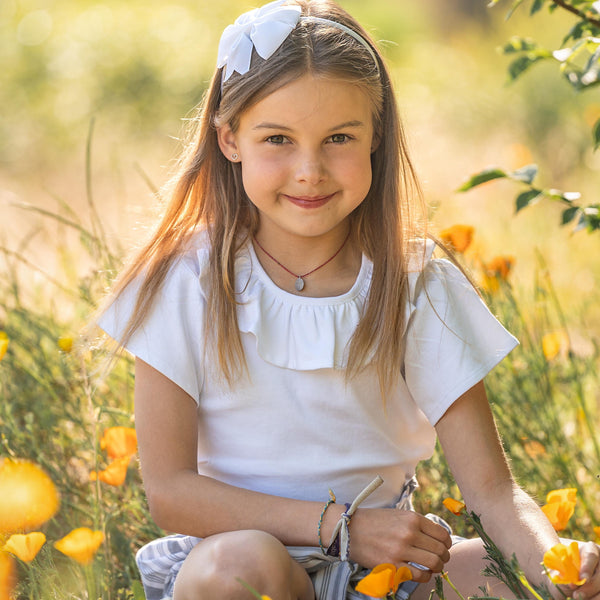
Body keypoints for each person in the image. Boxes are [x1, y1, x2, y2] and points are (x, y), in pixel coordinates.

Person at [97, 1, 600, 599]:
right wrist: (343, 529)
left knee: (503, 579)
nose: (310, 171)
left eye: (339, 137)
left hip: (388, 570)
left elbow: (492, 492)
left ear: (376, 136)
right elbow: (171, 492)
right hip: (245, 555)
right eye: (277, 138)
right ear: (230, 138)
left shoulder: (415, 283)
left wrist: (556, 564)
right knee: (238, 565)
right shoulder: (187, 279)